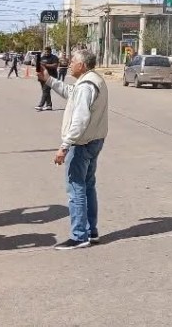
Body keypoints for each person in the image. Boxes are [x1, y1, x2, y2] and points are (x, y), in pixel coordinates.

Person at [37, 49, 109, 250]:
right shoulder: (92, 80)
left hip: (82, 144)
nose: (69, 64)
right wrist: (48, 80)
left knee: (76, 188)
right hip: (94, 140)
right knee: (87, 186)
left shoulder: (86, 85)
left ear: (83, 65)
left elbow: (80, 119)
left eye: (73, 61)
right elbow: (71, 93)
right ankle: (90, 231)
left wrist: (64, 146)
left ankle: (79, 235)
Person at [35, 47, 61, 112]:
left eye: (48, 52)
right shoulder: (42, 57)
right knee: (45, 91)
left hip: (51, 76)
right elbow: (38, 66)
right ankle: (49, 105)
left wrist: (46, 65)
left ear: (50, 51)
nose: (46, 53)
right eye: (45, 52)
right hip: (42, 77)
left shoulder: (54, 57)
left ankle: (40, 105)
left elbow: (55, 65)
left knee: (45, 90)